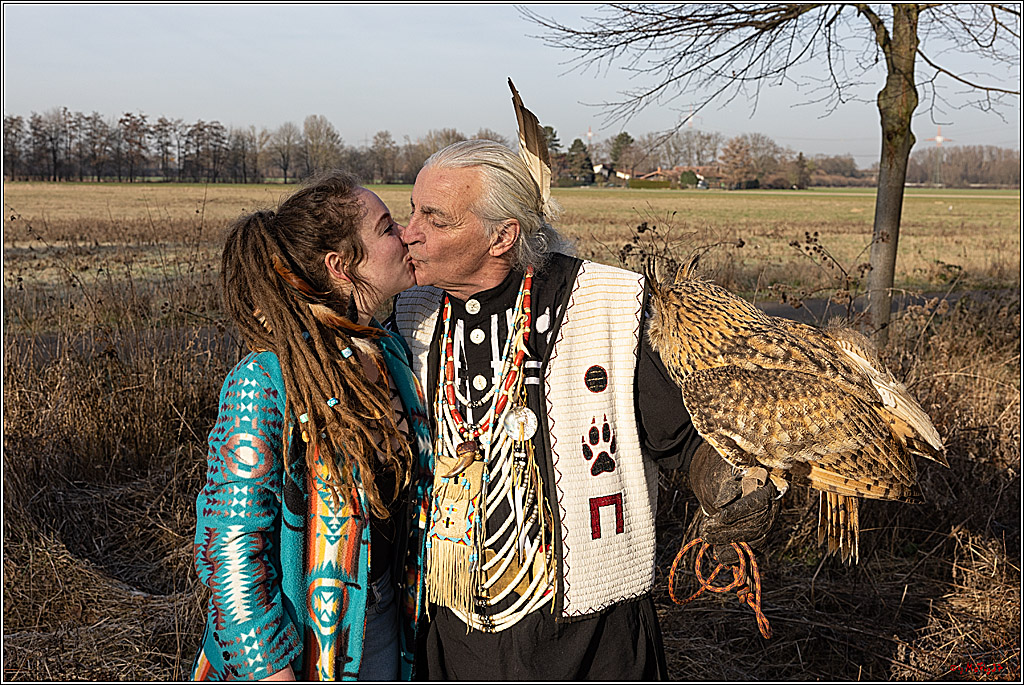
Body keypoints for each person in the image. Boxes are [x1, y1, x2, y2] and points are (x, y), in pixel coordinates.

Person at [391, 140, 779, 679]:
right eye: (412, 211)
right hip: (453, 634)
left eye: (433, 218)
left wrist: (726, 483)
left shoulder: (604, 306)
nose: (409, 230)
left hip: (590, 638)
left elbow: (680, 439)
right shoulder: (408, 314)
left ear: (502, 236)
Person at [191, 171, 434, 681]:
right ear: (340, 266)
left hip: (386, 628)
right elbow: (230, 550)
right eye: (388, 227)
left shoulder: (389, 355)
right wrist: (270, 669)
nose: (406, 236)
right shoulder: (267, 380)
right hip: (299, 653)